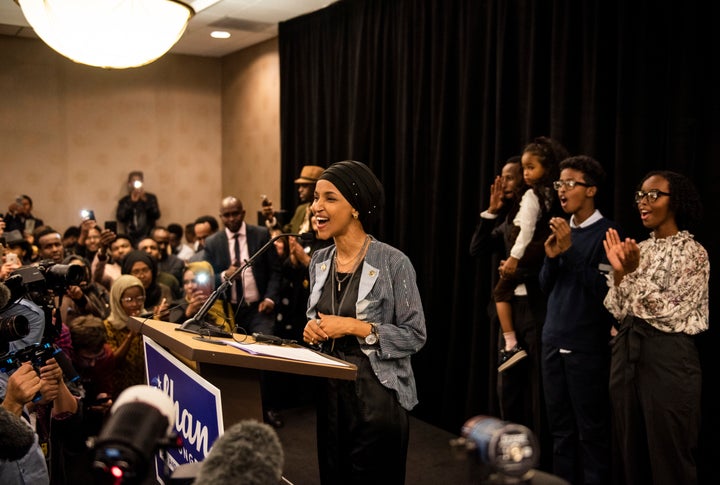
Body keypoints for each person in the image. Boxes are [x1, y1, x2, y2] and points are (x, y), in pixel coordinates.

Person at [302, 160, 427, 484]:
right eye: (316, 198)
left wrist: (355, 327)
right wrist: (311, 328)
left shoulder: (393, 262)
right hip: (330, 396)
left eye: (329, 198)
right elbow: (316, 317)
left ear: (355, 207)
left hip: (377, 397)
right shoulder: (319, 261)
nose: (316, 207)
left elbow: (414, 336)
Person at [603, 171, 708, 485]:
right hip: (627, 350)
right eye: (639, 196)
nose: (643, 202)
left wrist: (629, 274)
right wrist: (620, 271)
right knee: (629, 450)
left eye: (653, 195)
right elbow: (618, 308)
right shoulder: (639, 250)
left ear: (674, 200)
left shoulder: (694, 253)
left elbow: (669, 311)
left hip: (668, 357)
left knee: (669, 454)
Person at [539, 156, 616, 484]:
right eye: (559, 183)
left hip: (585, 347)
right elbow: (546, 286)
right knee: (560, 433)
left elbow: (606, 292)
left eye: (571, 183)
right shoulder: (562, 229)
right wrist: (553, 258)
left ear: (591, 190)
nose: (562, 190)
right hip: (553, 341)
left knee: (591, 434)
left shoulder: (608, 234)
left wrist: (569, 252)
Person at [469, 156, 548, 450]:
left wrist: (516, 267)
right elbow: (477, 248)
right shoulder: (507, 218)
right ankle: (511, 453)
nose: (505, 184)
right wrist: (491, 211)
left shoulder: (539, 211)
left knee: (538, 389)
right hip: (509, 312)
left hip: (537, 310)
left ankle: (537, 458)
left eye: (511, 177)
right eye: (502, 178)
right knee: (509, 389)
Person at [495, 137, 568, 372]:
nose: (525, 173)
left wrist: (514, 258)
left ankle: (510, 342)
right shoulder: (549, 195)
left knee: (499, 292)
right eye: (524, 168)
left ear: (546, 168)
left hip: (528, 278)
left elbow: (526, 232)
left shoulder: (532, 196)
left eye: (531, 168)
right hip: (531, 273)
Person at [202, 197, 281, 336]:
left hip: (259, 309)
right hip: (227, 311)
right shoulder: (212, 242)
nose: (231, 219)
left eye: (235, 213)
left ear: (243, 213)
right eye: (226, 215)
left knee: (264, 348)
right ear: (220, 217)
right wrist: (224, 275)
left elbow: (276, 270)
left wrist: (270, 298)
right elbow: (205, 279)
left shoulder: (260, 234)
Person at [103, 274, 148, 399]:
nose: (135, 304)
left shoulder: (148, 320)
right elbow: (113, 362)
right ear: (118, 301)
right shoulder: (109, 326)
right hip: (120, 391)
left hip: (144, 387)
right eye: (129, 300)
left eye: (139, 298)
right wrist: (131, 335)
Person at [168, 261, 234, 334]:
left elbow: (233, 334)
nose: (190, 286)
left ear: (208, 282)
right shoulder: (178, 306)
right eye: (186, 282)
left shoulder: (223, 306)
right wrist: (188, 314)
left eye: (194, 281)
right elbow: (173, 331)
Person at [115, 171, 161, 246]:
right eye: (134, 180)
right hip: (130, 236)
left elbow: (156, 215)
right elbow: (121, 217)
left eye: (139, 180)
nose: (136, 183)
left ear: (142, 182)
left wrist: (145, 201)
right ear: (129, 183)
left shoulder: (150, 198)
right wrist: (132, 203)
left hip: (148, 235)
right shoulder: (124, 200)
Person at [121, 249, 171, 318]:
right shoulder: (121, 294)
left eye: (145, 270)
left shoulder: (164, 290)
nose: (142, 276)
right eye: (136, 272)